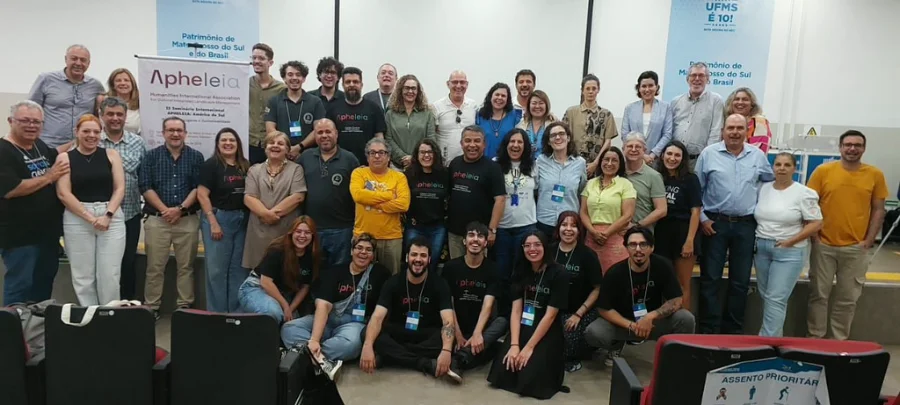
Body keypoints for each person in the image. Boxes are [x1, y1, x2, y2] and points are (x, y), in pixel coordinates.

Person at [696, 114, 774, 334]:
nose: (735, 132)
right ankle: (708, 331)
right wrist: (703, 219)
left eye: (739, 128)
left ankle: (733, 332)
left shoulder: (757, 156)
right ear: (723, 130)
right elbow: (697, 190)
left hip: (745, 226)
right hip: (714, 225)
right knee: (710, 279)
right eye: (730, 128)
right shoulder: (708, 154)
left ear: (746, 132)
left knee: (740, 282)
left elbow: (770, 184)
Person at [806, 130, 888, 340]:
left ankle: (838, 342)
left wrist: (868, 240)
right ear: (840, 147)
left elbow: (879, 209)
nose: (852, 149)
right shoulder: (823, 171)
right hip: (823, 246)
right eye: (848, 144)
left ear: (864, 148)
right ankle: (815, 339)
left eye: (857, 145)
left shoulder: (875, 175)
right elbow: (809, 205)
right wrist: (815, 237)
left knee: (847, 299)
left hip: (855, 249)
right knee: (818, 296)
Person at [281, 233, 391, 379]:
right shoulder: (335, 271)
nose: (363, 252)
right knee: (289, 329)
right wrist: (314, 339)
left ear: (373, 255)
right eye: (359, 248)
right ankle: (320, 360)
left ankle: (303, 356)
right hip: (327, 320)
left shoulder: (380, 274)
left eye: (368, 249)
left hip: (354, 324)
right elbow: (323, 306)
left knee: (351, 345)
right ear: (351, 251)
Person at [585, 227, 695, 365]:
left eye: (643, 244)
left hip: (652, 322)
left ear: (652, 247)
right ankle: (615, 345)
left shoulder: (662, 265)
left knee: (686, 318)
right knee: (594, 332)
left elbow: (676, 299)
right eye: (633, 244)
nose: (638, 249)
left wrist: (650, 316)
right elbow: (603, 309)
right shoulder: (615, 273)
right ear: (626, 248)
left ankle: (676, 356)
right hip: (624, 324)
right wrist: (632, 325)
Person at [359, 238, 460, 382]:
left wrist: (446, 350)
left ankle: (390, 357)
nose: (418, 259)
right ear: (407, 257)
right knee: (366, 333)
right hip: (399, 331)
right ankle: (424, 363)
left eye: (423, 255)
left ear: (429, 259)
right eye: (414, 254)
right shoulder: (393, 282)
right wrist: (368, 345)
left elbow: (448, 321)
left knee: (449, 338)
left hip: (426, 333)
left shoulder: (440, 283)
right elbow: (377, 316)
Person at [487, 231, 569, 400]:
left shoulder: (559, 273)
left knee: (530, 380)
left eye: (537, 244)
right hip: (524, 323)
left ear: (545, 247)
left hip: (546, 328)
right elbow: (516, 310)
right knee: (502, 372)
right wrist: (515, 344)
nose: (532, 249)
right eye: (528, 245)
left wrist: (528, 348)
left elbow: (550, 315)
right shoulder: (520, 270)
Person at [0, 101, 67, 305]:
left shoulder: (38, 146)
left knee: (43, 285)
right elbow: (11, 190)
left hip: (47, 235)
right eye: (25, 121)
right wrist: (49, 177)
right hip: (20, 237)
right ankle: (13, 324)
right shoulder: (4, 151)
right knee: (20, 286)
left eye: (37, 122)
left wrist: (80, 140)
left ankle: (37, 323)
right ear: (11, 121)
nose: (31, 125)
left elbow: (55, 154)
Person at [56, 114, 126, 306]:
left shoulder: (111, 155)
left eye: (96, 132)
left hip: (110, 216)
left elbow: (120, 188)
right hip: (77, 217)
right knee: (83, 276)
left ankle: (110, 315)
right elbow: (63, 193)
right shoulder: (65, 157)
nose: (91, 135)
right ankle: (91, 316)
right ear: (76, 132)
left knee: (109, 273)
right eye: (86, 131)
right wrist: (90, 218)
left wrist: (107, 215)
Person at [139, 117, 204, 319]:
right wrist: (166, 210)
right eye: (170, 130)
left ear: (185, 133)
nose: (175, 134)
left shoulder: (196, 157)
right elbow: (145, 186)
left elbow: (198, 187)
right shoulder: (151, 156)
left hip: (187, 219)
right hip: (157, 220)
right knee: (154, 267)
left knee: (186, 267)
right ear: (163, 133)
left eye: (179, 130)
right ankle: (152, 308)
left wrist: (180, 209)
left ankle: (184, 308)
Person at [754, 153, 822, 337]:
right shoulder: (763, 189)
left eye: (787, 165)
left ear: (794, 168)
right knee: (766, 297)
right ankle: (774, 338)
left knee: (776, 298)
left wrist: (790, 241)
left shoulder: (804, 193)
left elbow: (816, 223)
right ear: (773, 167)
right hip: (762, 249)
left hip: (789, 251)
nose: (782, 168)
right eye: (778, 164)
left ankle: (767, 341)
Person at [442, 222, 508, 373]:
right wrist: (457, 335)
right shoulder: (451, 267)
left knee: (502, 322)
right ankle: (472, 353)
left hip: (481, 328)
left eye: (480, 236)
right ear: (464, 241)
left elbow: (488, 305)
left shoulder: (493, 269)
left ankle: (460, 357)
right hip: (456, 325)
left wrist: (477, 334)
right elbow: (448, 305)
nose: (475, 239)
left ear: (485, 243)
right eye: (471, 235)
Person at [98, 97, 147, 301]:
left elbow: (144, 176)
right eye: (110, 114)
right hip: (100, 215)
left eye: (119, 114)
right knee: (104, 265)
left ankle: (127, 306)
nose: (115, 118)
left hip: (130, 213)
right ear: (101, 116)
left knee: (127, 262)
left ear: (126, 117)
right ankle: (103, 306)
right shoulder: (94, 140)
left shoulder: (137, 142)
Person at [198, 128, 250, 313]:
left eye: (232, 140)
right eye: (224, 140)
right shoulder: (211, 165)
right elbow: (202, 194)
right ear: (218, 144)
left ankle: (236, 314)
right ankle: (217, 314)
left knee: (239, 270)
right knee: (217, 272)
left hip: (242, 220)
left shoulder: (245, 165)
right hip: (219, 219)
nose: (228, 143)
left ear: (238, 144)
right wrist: (213, 222)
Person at [298, 119, 360, 268]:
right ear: (315, 136)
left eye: (328, 131)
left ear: (336, 134)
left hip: (342, 230)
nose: (324, 135)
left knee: (340, 272)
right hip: (312, 229)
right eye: (320, 132)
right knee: (313, 272)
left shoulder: (350, 159)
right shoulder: (305, 157)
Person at [242, 131, 307, 270]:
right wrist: (266, 214)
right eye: (271, 143)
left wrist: (272, 215)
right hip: (258, 231)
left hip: (285, 229)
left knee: (285, 271)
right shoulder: (254, 170)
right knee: (259, 274)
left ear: (287, 149)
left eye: (280, 143)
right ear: (265, 148)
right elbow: (249, 197)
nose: (275, 146)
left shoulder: (296, 169)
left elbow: (298, 196)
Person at [238, 216, 317, 322]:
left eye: (307, 232)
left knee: (293, 324)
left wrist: (291, 309)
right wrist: (285, 306)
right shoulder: (277, 249)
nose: (302, 236)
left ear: (313, 235)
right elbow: (266, 282)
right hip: (257, 287)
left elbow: (305, 287)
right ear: (291, 233)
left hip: (284, 294)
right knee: (274, 313)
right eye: (298, 231)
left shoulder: (312, 255)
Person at [350, 138, 410, 274]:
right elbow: (358, 196)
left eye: (381, 152)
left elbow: (403, 204)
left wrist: (371, 201)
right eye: (372, 153)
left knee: (391, 277)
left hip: (391, 238)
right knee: (361, 277)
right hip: (362, 237)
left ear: (388, 157)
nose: (377, 156)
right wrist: (389, 195)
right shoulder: (359, 173)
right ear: (367, 157)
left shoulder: (399, 177)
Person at [551, 211, 602, 372]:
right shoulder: (549, 251)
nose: (568, 229)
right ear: (558, 228)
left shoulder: (588, 255)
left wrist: (578, 314)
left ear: (579, 231)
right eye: (564, 225)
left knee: (569, 342)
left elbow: (597, 288)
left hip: (580, 310)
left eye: (573, 226)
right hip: (552, 308)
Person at [653, 141, 701, 311]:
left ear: (683, 159)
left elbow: (696, 212)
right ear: (662, 156)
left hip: (683, 233)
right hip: (661, 235)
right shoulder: (657, 177)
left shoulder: (691, 179)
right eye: (669, 154)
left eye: (677, 155)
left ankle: (684, 324)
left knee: (682, 285)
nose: (672, 158)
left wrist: (689, 241)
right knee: (663, 283)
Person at [28, 44, 104, 149]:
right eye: (74, 58)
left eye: (83, 60)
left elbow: (99, 116)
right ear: (66, 59)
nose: (78, 63)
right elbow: (31, 110)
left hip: (80, 146)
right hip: (48, 145)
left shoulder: (95, 86)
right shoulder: (46, 79)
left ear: (88, 63)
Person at [446, 126, 506, 259]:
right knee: (456, 266)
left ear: (484, 144)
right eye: (468, 140)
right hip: (455, 232)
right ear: (461, 143)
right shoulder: (454, 164)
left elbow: (500, 199)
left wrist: (492, 230)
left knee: (477, 268)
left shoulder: (493, 168)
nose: (472, 145)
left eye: (477, 141)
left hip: (479, 234)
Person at [580, 147, 636, 272]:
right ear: (600, 162)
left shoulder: (625, 184)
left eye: (614, 160)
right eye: (606, 159)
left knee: (614, 275)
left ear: (620, 164)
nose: (609, 163)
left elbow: (627, 215)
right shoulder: (591, 183)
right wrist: (593, 232)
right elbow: (583, 212)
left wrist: (606, 233)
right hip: (591, 237)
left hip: (615, 237)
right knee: (591, 275)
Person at [495, 129, 537, 285]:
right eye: (512, 141)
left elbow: (537, 191)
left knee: (523, 271)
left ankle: (520, 300)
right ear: (506, 144)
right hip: (502, 228)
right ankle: (503, 301)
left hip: (526, 226)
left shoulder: (534, 165)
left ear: (525, 146)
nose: (516, 145)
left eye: (520, 142)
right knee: (502, 271)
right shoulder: (495, 164)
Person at [265, 60, 326, 160]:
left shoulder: (315, 101)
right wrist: (285, 148)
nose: (294, 78)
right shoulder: (274, 101)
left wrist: (299, 147)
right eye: (290, 74)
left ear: (304, 78)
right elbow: (270, 129)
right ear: (284, 78)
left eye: (298, 75)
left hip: (309, 155)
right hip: (281, 154)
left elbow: (318, 129)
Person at [404, 138, 449, 273]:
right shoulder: (409, 174)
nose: (426, 155)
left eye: (430, 152)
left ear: (436, 154)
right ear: (416, 155)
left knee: (432, 262)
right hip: (414, 226)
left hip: (437, 227)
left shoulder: (445, 174)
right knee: (413, 264)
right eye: (422, 152)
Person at [535, 122, 586, 237]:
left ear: (568, 138)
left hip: (569, 223)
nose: (558, 137)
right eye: (553, 135)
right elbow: (535, 188)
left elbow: (581, 191)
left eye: (561, 134)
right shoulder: (540, 161)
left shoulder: (580, 163)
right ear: (548, 141)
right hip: (545, 221)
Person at [326, 67, 386, 164]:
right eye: (348, 82)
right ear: (343, 85)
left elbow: (379, 137)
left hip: (367, 163)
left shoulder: (374, 108)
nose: (351, 85)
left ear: (361, 85)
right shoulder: (332, 108)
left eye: (355, 82)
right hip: (339, 162)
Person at [672, 62, 725, 169]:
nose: (697, 79)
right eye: (693, 75)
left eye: (701, 75)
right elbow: (670, 130)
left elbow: (715, 132)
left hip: (699, 161)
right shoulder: (676, 101)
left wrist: (708, 158)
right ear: (687, 79)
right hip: (675, 160)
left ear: (707, 79)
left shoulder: (716, 101)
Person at [562, 74, 618, 177]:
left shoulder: (606, 114)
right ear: (582, 90)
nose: (591, 91)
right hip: (572, 162)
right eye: (587, 88)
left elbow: (607, 142)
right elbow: (563, 137)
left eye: (594, 88)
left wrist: (596, 163)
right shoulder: (571, 112)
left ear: (598, 90)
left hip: (595, 165)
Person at [620, 71, 673, 165]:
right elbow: (625, 134)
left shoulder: (666, 107)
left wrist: (653, 154)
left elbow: (667, 134)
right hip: (633, 157)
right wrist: (642, 155)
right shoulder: (630, 108)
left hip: (655, 160)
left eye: (651, 85)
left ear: (657, 87)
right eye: (644, 86)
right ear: (639, 88)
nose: (647, 89)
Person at [385, 74, 436, 169]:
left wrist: (415, 158)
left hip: (421, 166)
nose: (410, 91)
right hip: (396, 167)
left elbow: (431, 139)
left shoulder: (427, 113)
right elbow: (388, 139)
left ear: (418, 91)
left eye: (413, 88)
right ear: (400, 90)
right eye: (407, 88)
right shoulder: (390, 114)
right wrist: (403, 158)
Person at [248, 43, 286, 164]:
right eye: (254, 58)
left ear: (270, 62)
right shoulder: (244, 84)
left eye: (261, 58)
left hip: (272, 145)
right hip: (249, 143)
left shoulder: (281, 89)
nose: (256, 61)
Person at [622, 132, 667, 229]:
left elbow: (661, 210)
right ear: (623, 149)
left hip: (641, 232)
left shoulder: (654, 176)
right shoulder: (617, 172)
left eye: (638, 147)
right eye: (630, 146)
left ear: (644, 150)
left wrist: (637, 226)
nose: (633, 149)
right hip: (614, 231)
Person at [433, 70, 477, 164]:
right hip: (444, 163)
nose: (458, 86)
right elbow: (432, 134)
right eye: (455, 82)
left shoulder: (473, 106)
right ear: (448, 84)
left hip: (469, 162)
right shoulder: (436, 107)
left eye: (462, 82)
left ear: (467, 85)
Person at [475, 83, 522, 160]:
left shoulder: (514, 116)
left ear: (507, 99)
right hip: (484, 161)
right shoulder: (479, 116)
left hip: (506, 162)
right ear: (491, 96)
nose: (500, 98)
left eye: (503, 96)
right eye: (497, 95)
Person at [724, 87, 772, 153]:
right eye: (736, 99)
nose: (740, 102)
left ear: (752, 104)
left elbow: (759, 152)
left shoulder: (760, 122)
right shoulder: (725, 121)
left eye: (745, 99)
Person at [96, 68, 141, 134]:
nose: (123, 83)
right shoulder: (103, 100)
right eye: (118, 81)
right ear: (113, 85)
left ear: (132, 84)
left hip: (133, 139)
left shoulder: (140, 101)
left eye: (126, 80)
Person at [515, 90, 557, 158]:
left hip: (547, 163)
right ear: (529, 105)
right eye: (534, 103)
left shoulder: (554, 124)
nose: (537, 106)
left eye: (541, 103)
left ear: (546, 105)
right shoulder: (520, 125)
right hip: (525, 162)